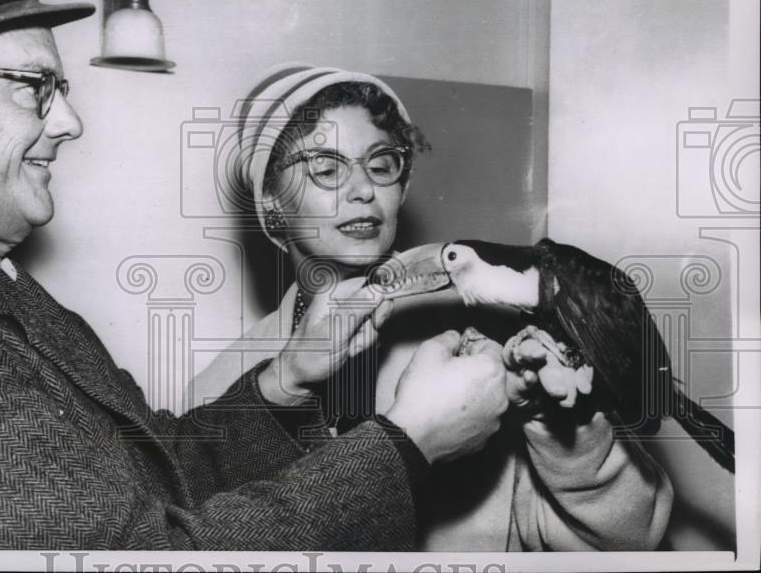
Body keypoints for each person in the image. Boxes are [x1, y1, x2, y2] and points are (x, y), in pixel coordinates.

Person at [0, 0, 512, 550]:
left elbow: (158, 472)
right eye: (34, 87)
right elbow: (154, 552)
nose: (68, 123)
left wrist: (284, 377)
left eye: (63, 91)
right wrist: (405, 445)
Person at [191, 64, 674, 550]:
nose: (363, 189)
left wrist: (562, 422)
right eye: (326, 167)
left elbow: (630, 542)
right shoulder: (226, 391)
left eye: (381, 164)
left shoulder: (497, 340)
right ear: (271, 198)